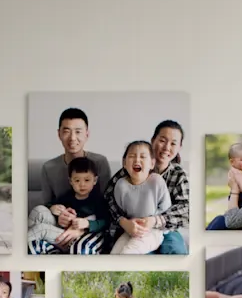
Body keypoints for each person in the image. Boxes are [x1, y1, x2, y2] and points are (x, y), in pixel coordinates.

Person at [28, 108, 113, 254]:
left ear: (87, 134)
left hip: (88, 228)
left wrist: (82, 228)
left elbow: (107, 208)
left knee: (40, 231)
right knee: (38, 211)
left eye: (78, 131)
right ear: (59, 134)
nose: (72, 138)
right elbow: (48, 204)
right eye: (67, 131)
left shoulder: (100, 162)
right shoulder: (49, 167)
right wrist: (56, 211)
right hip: (60, 225)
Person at [103, 120, 189, 254]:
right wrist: (123, 221)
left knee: (175, 251)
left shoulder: (178, 175)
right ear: (153, 140)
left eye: (173, 143)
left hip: (166, 229)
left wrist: (155, 220)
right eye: (162, 140)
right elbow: (108, 198)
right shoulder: (130, 170)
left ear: (179, 147)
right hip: (133, 227)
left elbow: (185, 209)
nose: (167, 147)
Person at [27, 157, 110, 252]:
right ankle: (32, 247)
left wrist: (88, 224)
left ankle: (17, 251)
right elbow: (51, 205)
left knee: (41, 229)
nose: (82, 185)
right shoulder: (67, 196)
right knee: (39, 210)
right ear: (71, 181)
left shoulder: (98, 200)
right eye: (77, 180)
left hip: (78, 237)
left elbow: (106, 221)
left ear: (94, 180)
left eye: (87, 180)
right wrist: (53, 208)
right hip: (60, 231)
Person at [110, 142, 171, 255]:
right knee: (114, 254)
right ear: (124, 163)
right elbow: (119, 212)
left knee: (128, 252)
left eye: (143, 157)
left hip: (153, 231)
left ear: (152, 163)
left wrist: (152, 221)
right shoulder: (120, 185)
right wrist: (127, 223)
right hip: (130, 229)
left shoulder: (157, 182)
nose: (137, 160)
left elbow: (167, 210)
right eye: (132, 156)